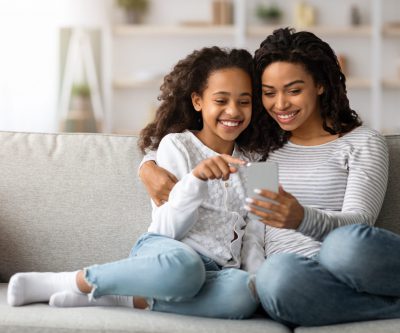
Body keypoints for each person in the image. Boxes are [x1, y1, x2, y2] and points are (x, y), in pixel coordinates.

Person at [139, 28, 400, 326]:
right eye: (268, 94)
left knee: (347, 245)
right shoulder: (261, 147)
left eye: (294, 90)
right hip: (294, 281)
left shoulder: (360, 143)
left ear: (321, 85)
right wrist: (149, 164)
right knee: (275, 278)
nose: (280, 105)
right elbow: (202, 139)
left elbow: (360, 224)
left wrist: (301, 218)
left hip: (347, 258)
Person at [7, 46, 260, 319]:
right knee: (186, 268)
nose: (233, 110)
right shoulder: (177, 145)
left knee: (244, 294)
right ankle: (71, 281)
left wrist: (259, 279)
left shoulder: (257, 161)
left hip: (219, 272)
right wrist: (196, 179)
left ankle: (121, 298)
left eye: (244, 101)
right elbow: (167, 227)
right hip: (168, 255)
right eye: (221, 100)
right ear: (198, 101)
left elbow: (256, 233)